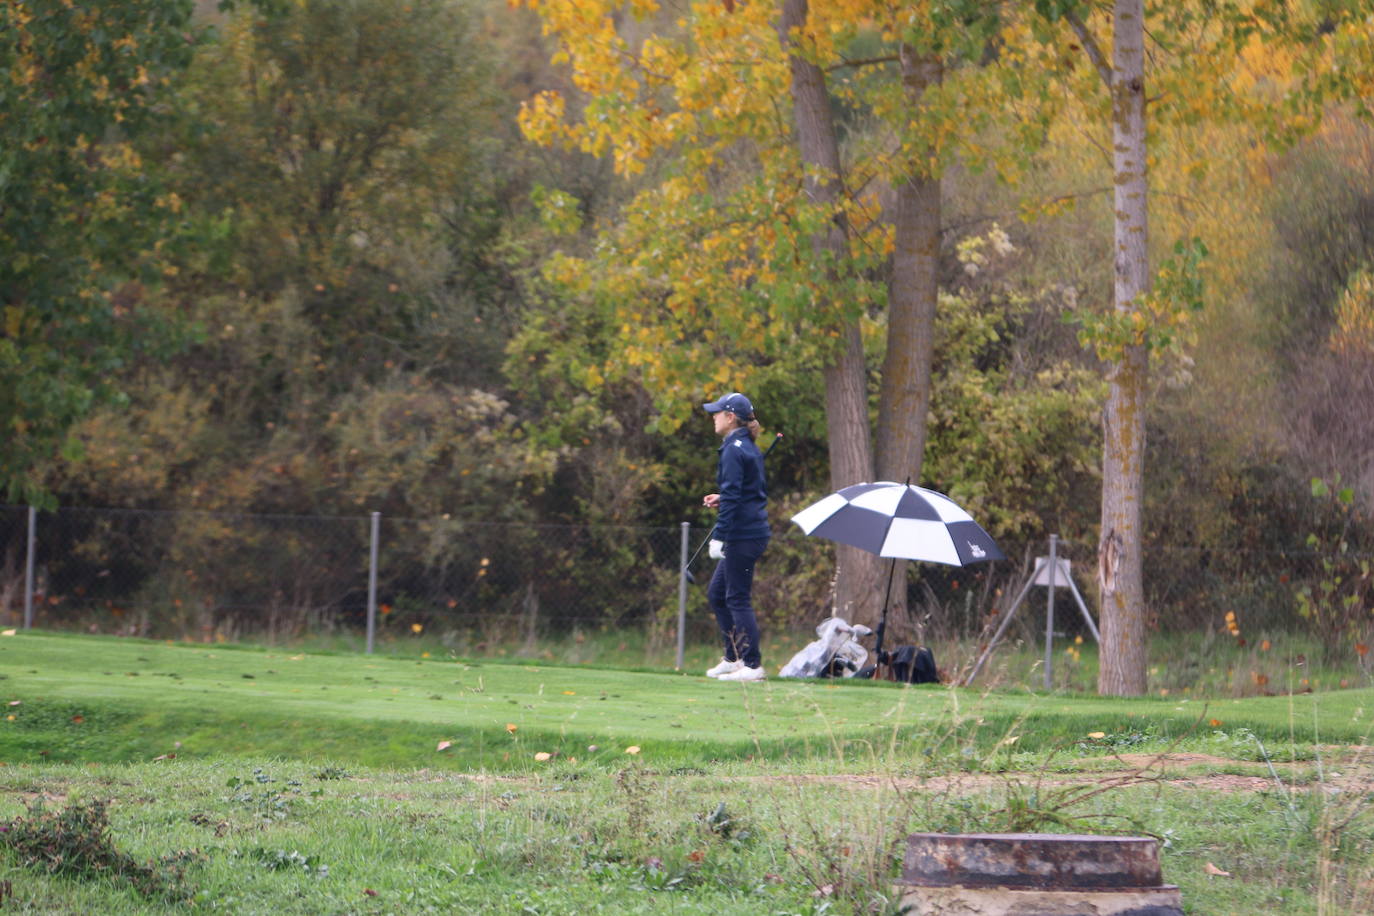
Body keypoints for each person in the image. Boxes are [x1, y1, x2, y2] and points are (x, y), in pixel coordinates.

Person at [700, 392, 770, 682]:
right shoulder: (744, 445)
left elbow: (734, 498)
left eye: (717, 413)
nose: (713, 417)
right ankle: (733, 657)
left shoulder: (733, 448)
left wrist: (720, 536)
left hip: (743, 536)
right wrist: (723, 497)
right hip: (748, 532)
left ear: (730, 417)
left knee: (737, 598)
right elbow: (739, 493)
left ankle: (752, 666)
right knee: (717, 594)